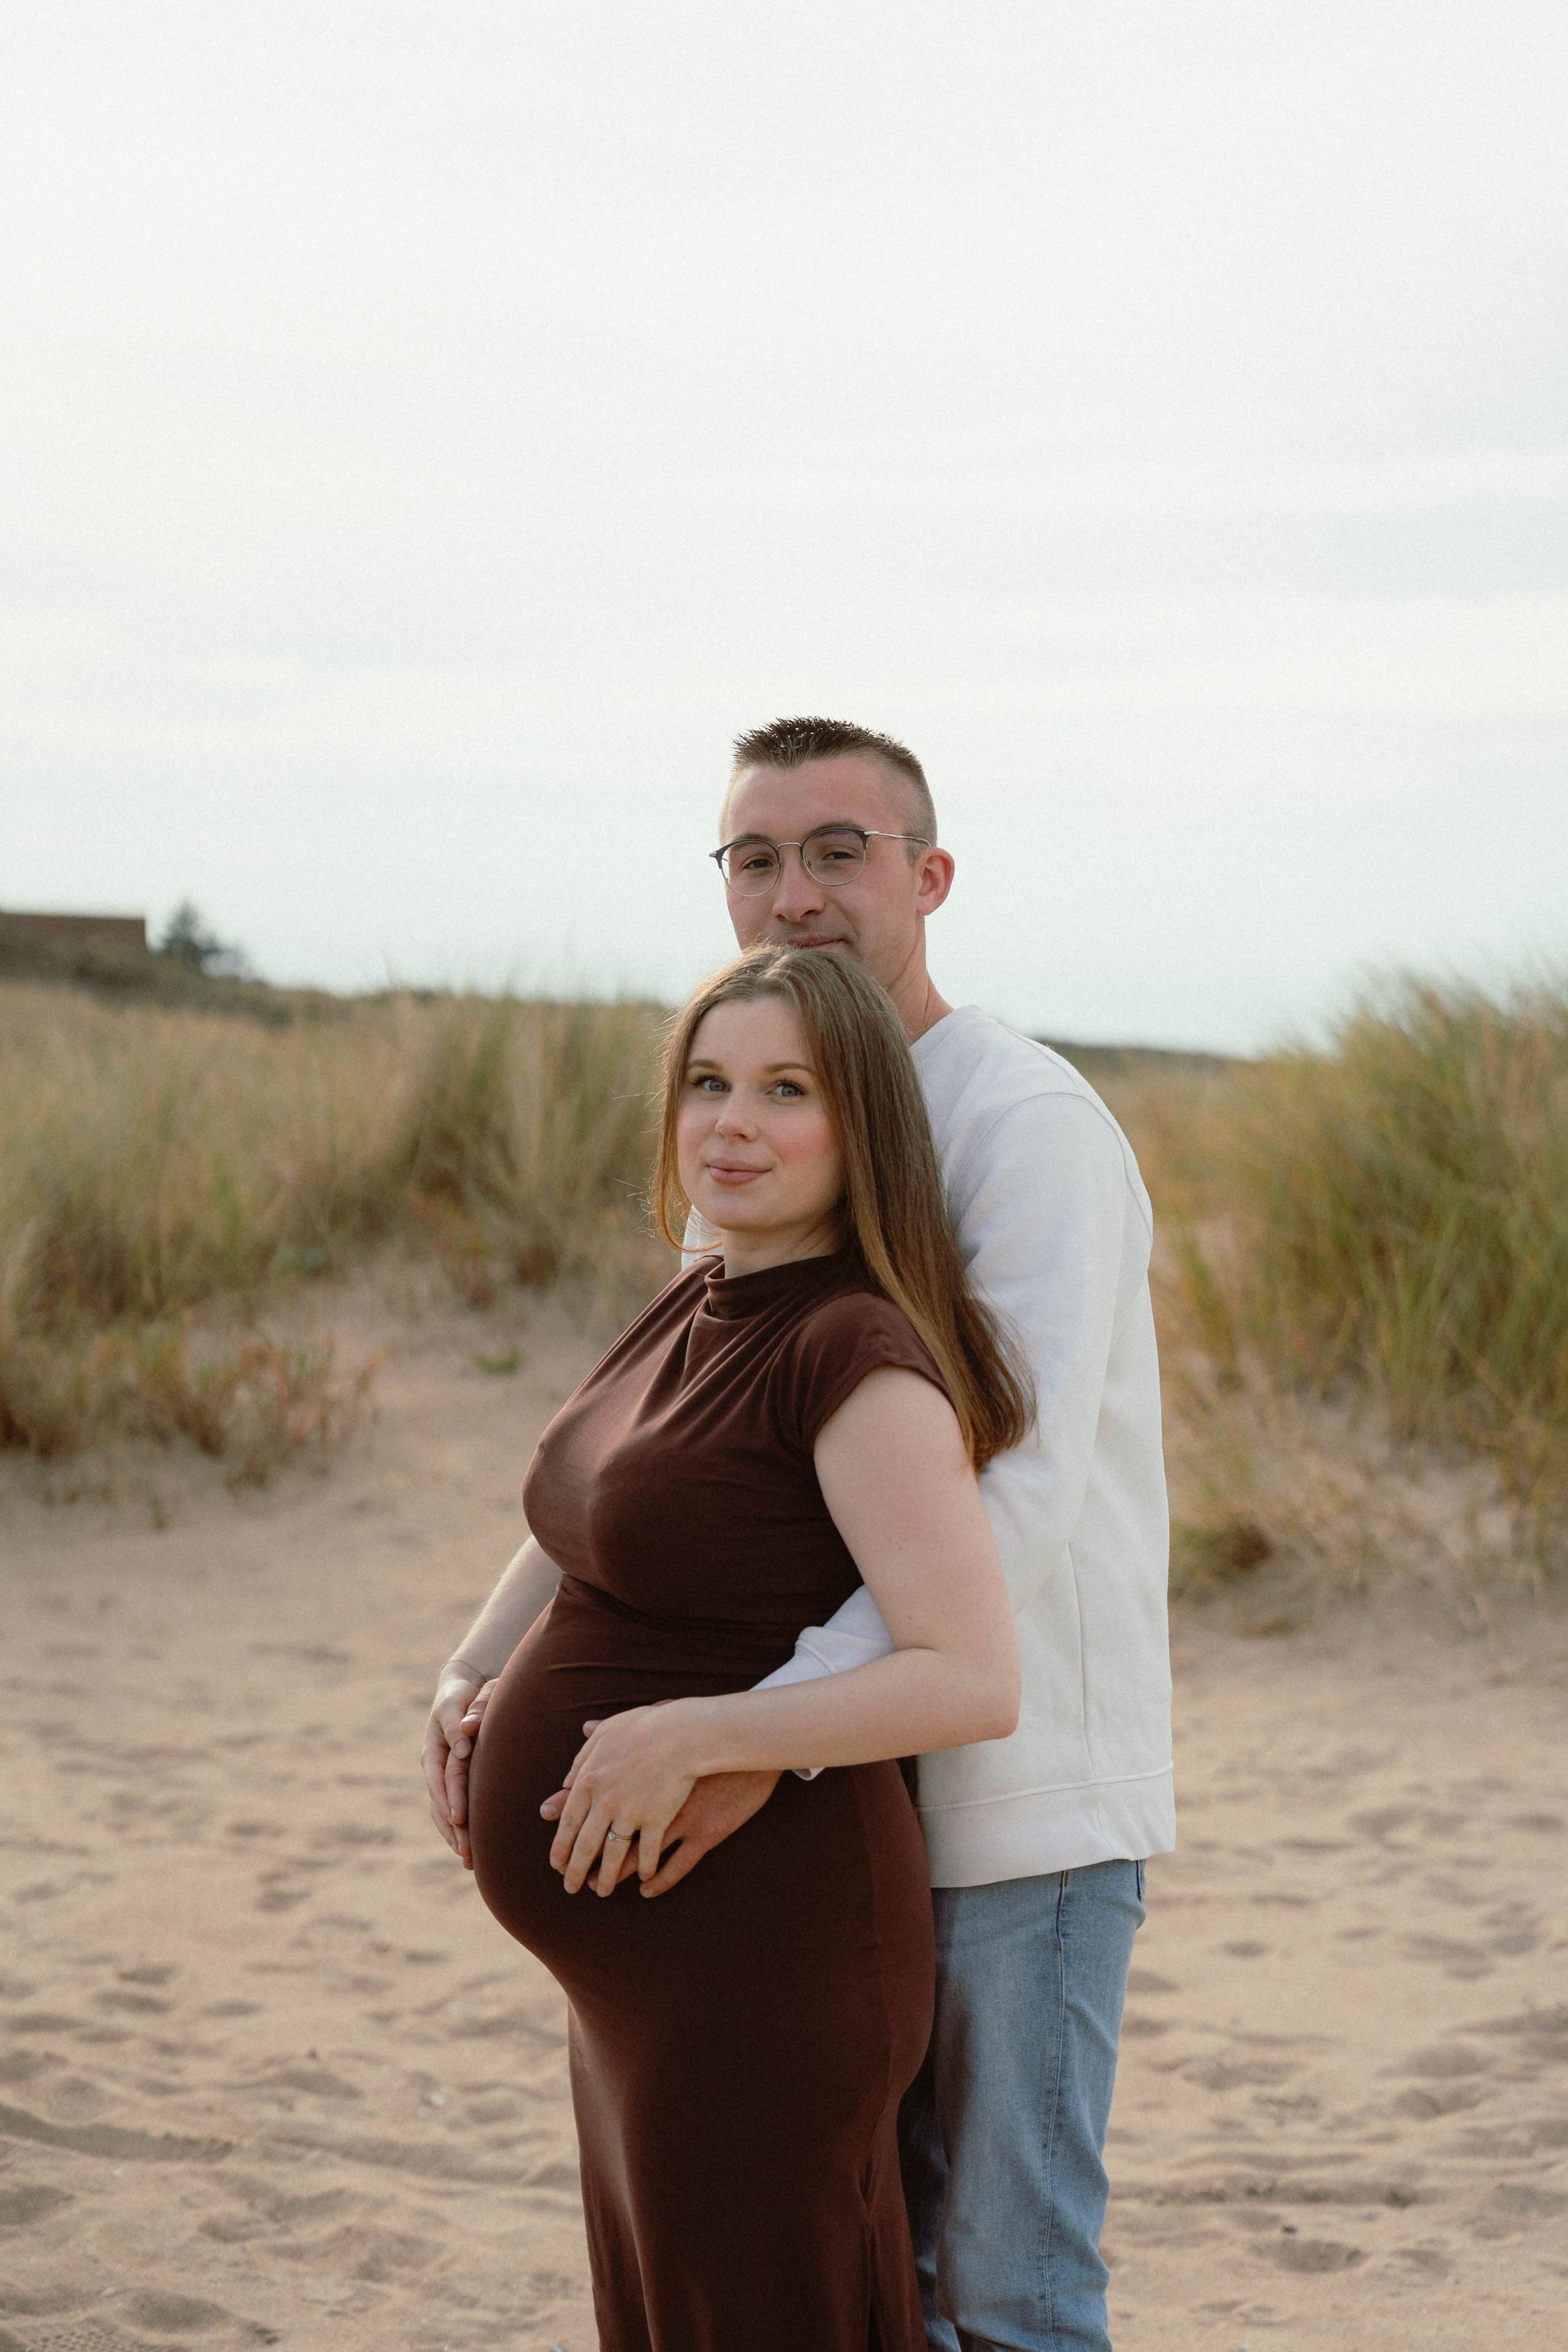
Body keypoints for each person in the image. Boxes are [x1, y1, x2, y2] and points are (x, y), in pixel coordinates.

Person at [428, 714, 1175, 2351]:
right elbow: (651, 1461)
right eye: (755, 857)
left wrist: (761, 1741)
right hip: (839, 1800)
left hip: (1014, 1818)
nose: (796, 892)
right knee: (880, 2279)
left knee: (1009, 2285)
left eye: (840, 851)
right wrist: (482, 1670)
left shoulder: (1020, 1126)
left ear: (931, 875)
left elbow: (1013, 1490)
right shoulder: (774, 1138)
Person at [426, 941, 1030, 2351]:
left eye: (782, 1090)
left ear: (859, 1125)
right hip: (646, 1976)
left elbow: (970, 1675)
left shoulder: (851, 1354)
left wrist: (697, 1733)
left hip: (765, 1961)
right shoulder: (696, 1295)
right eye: (706, 1083)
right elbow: (576, 1521)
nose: (731, 1122)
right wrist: (468, 1674)